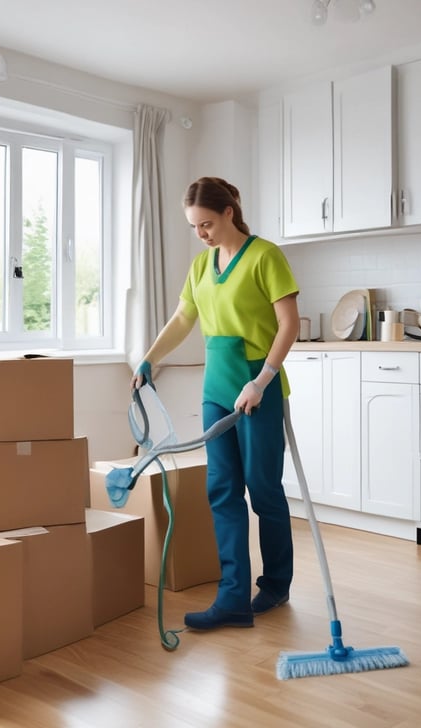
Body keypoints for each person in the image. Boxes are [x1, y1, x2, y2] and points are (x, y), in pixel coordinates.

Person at [133, 177, 300, 630]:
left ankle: (275, 585)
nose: (202, 233)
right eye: (194, 227)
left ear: (230, 211)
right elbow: (184, 318)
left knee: (263, 490)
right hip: (217, 390)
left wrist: (263, 380)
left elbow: (289, 324)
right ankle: (232, 599)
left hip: (256, 388)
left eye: (206, 223)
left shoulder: (266, 257)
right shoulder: (202, 265)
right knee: (222, 490)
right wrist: (149, 359)